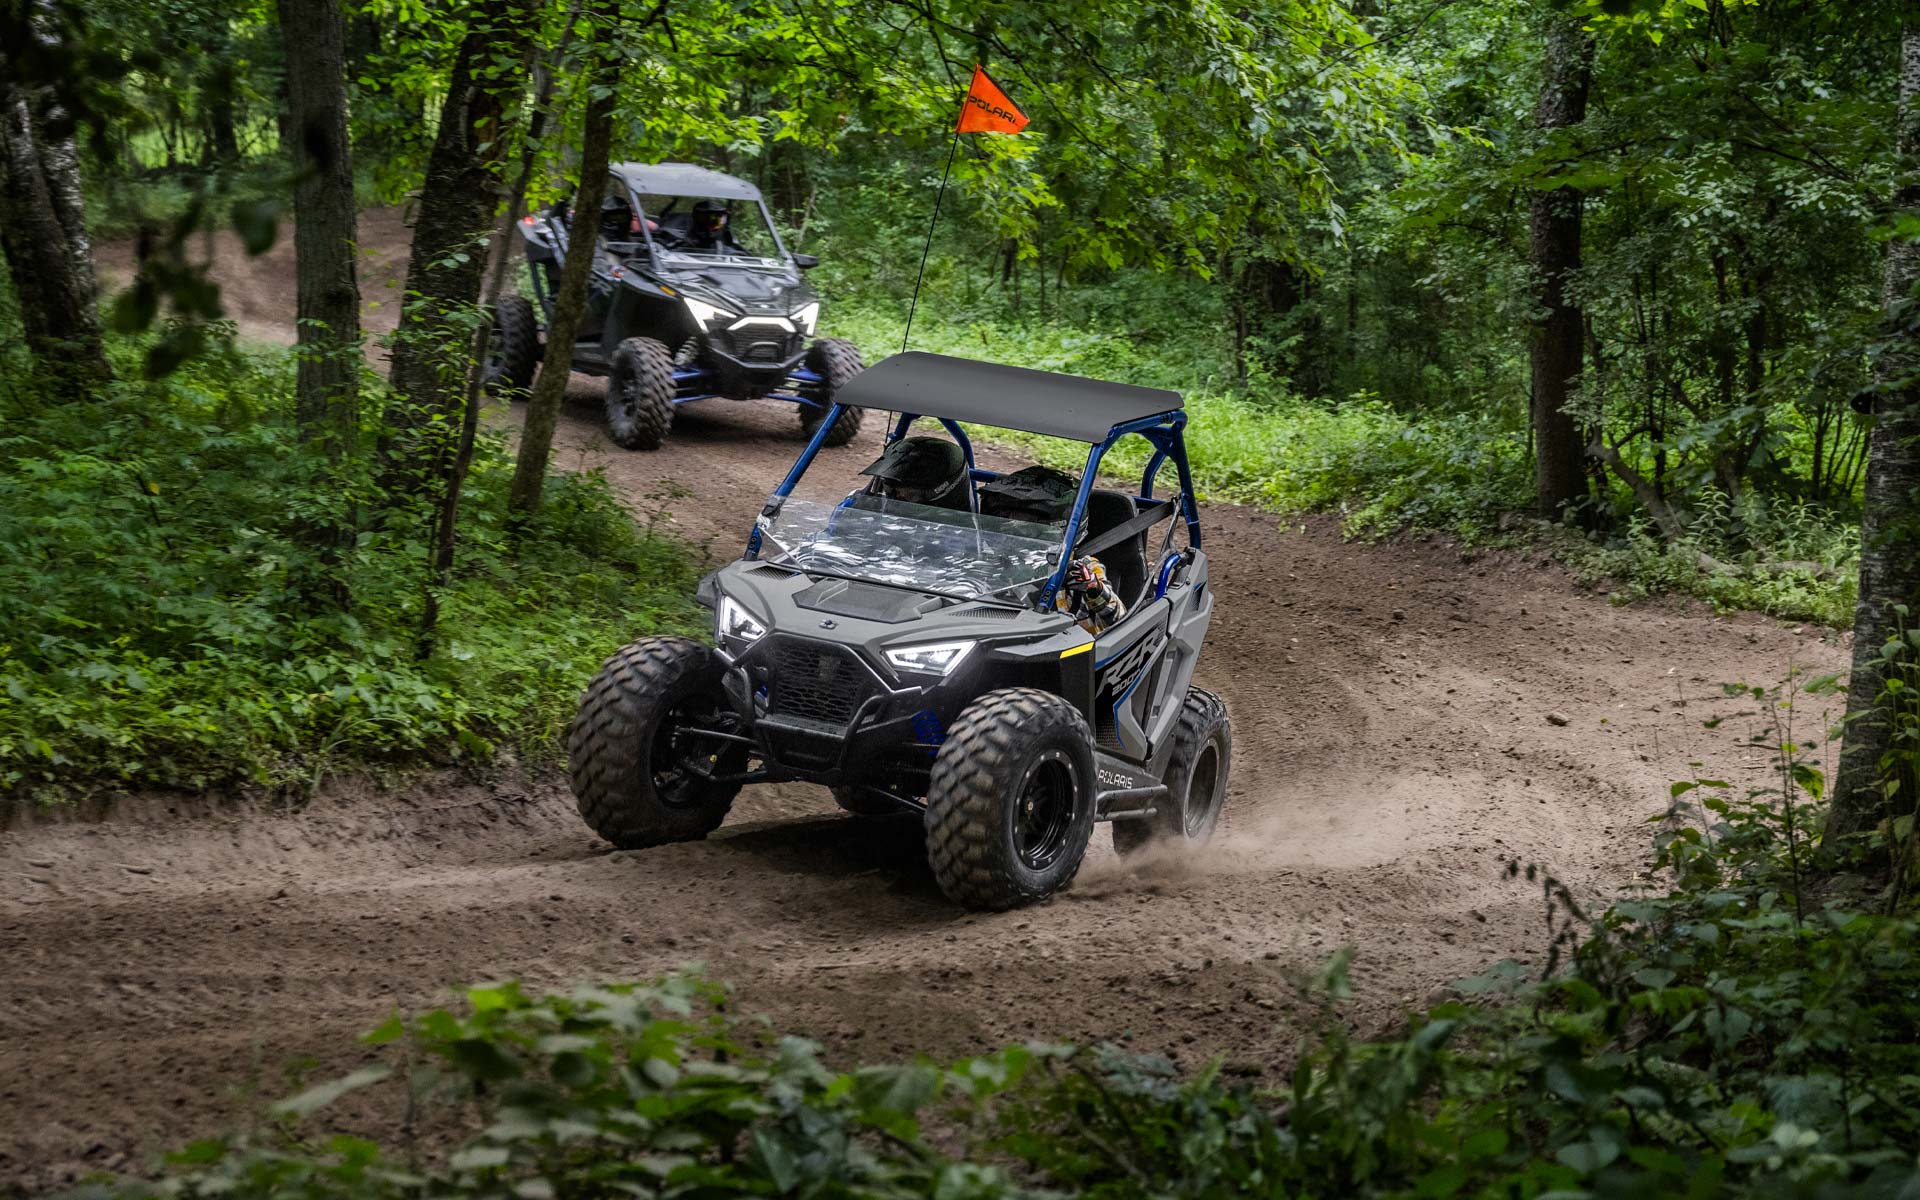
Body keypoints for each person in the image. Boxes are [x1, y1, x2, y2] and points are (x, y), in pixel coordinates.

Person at [857, 436, 970, 510]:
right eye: (888, 488)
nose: (895, 500)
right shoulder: (865, 506)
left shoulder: (962, 536)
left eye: (909, 495)